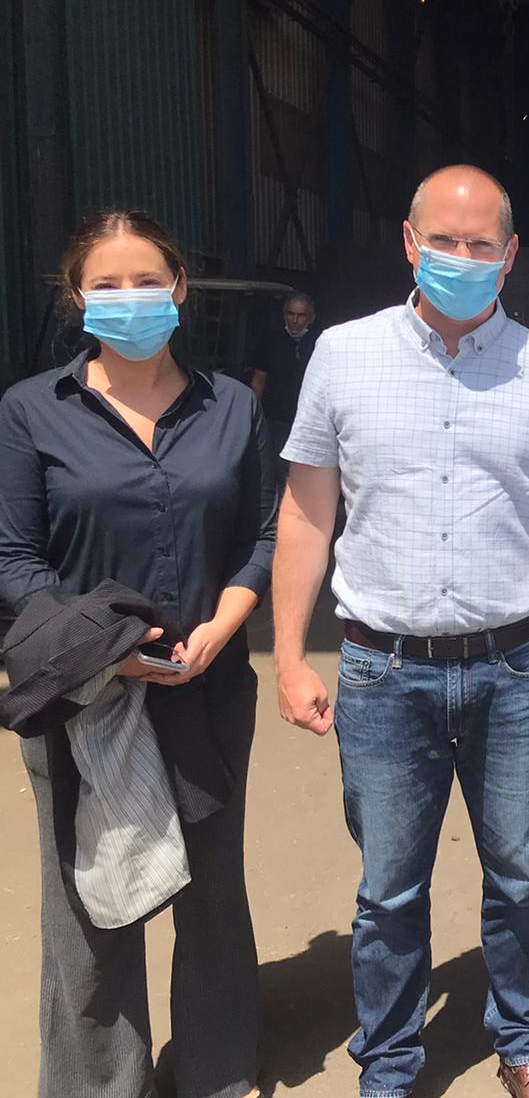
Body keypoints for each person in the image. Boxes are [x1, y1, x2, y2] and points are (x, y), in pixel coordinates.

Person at [272, 165, 529, 1098]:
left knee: (520, 872)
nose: (462, 258)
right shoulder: (343, 355)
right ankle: (388, 1061)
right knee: (388, 886)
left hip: (518, 667)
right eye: (445, 241)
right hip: (384, 672)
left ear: (510, 255)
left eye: (481, 244)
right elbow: (306, 511)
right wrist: (290, 654)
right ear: (410, 244)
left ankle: (526, 1043)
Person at [0, 210, 277, 1098]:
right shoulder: (32, 410)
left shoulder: (231, 406)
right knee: (91, 901)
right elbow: (14, 558)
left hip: (206, 685)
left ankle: (215, 1072)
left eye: (148, 281)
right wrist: (105, 652)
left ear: (180, 288)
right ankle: (99, 1085)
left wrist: (224, 625)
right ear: (77, 297)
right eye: (107, 285)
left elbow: (264, 535)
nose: (130, 299)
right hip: (81, 694)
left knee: (211, 895)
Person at [249, 292, 317, 480]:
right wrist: (254, 415)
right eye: (290, 314)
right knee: (275, 468)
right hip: (275, 418)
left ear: (311, 318)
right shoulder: (270, 341)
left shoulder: (319, 344)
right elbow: (259, 380)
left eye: (300, 315)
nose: (294, 320)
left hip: (308, 419)